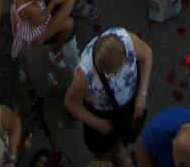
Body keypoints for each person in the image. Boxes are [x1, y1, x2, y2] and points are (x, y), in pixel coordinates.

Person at [65, 27, 154, 167]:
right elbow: (70, 102)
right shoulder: (85, 75)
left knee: (121, 138)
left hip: (127, 104)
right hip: (101, 113)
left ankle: (118, 150)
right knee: (101, 150)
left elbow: (147, 54)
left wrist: (142, 95)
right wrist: (97, 123)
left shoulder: (127, 41)